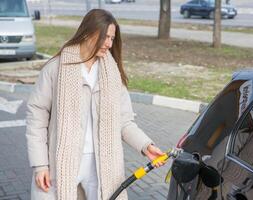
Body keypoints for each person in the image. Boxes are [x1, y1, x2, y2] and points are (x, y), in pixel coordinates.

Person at [26, 9, 165, 200]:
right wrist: (40, 165)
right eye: (105, 37)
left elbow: (124, 121)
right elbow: (36, 119)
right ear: (87, 33)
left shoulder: (113, 74)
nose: (109, 44)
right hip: (60, 162)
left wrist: (145, 145)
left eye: (112, 38)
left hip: (102, 164)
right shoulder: (55, 69)